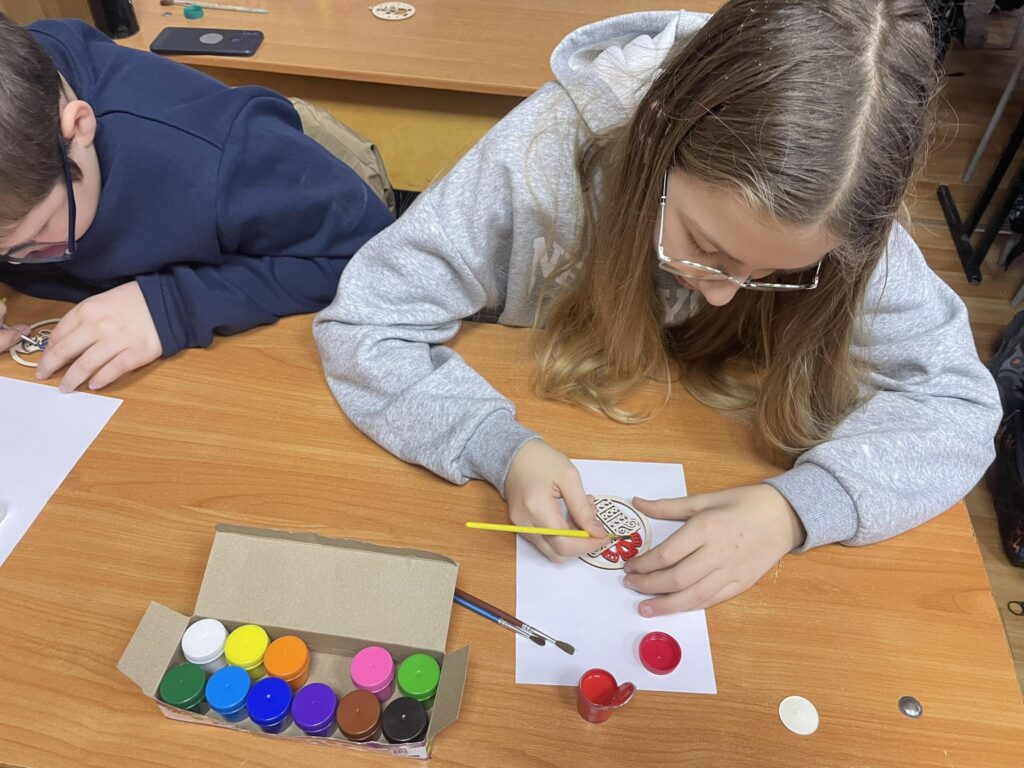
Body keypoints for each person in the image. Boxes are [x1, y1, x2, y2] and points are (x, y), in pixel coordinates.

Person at [314, 0, 1001, 616]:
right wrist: (497, 445)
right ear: (655, 147)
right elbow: (367, 320)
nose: (725, 292)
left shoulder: (845, 203)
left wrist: (795, 509)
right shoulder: (544, 149)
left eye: (778, 273)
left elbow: (958, 404)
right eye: (706, 247)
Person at [0, 15, 393, 391]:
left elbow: (373, 260)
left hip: (290, 220)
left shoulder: (219, 155)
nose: (17, 258)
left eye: (37, 234)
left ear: (79, 128)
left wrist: (175, 305)